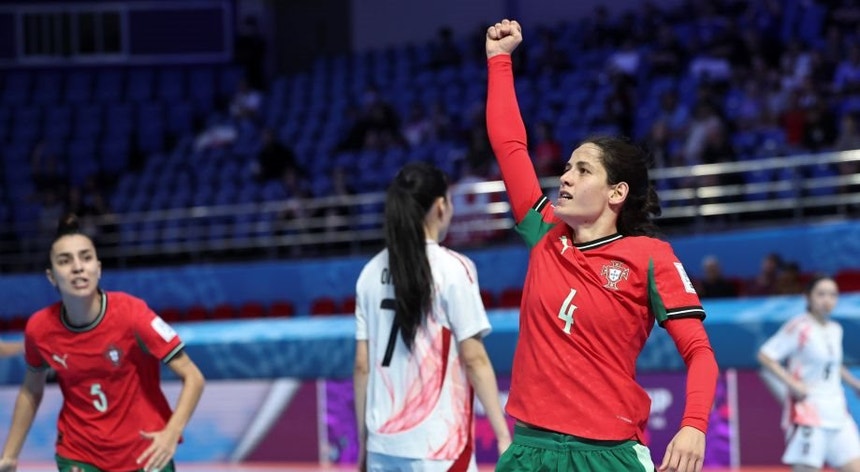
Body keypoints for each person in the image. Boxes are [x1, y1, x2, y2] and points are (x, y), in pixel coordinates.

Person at [485, 20, 718, 471]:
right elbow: (511, 147)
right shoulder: (544, 233)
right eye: (568, 167)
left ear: (617, 192)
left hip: (608, 455)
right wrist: (500, 61)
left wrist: (694, 425)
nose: (566, 177)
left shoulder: (651, 257)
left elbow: (700, 352)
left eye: (584, 170)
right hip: (529, 452)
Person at [0, 214, 205, 472]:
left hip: (145, 452)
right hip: (80, 454)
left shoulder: (134, 314)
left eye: (85, 258)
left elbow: (193, 377)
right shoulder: (39, 329)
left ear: (98, 267)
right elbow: (31, 391)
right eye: (65, 261)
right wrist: (9, 455)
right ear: (51, 277)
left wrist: (171, 432)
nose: (77, 267)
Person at [353, 161, 511, 471]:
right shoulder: (454, 269)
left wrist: (364, 444)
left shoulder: (369, 273)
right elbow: (474, 358)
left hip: (381, 446)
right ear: (441, 206)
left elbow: (362, 366)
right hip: (438, 446)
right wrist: (503, 435)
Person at [757, 275, 860, 471]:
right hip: (808, 414)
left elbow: (833, 364)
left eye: (832, 295)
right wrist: (792, 383)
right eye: (821, 294)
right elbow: (765, 356)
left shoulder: (835, 329)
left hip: (838, 412)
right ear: (808, 297)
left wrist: (854, 384)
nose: (827, 300)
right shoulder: (799, 326)